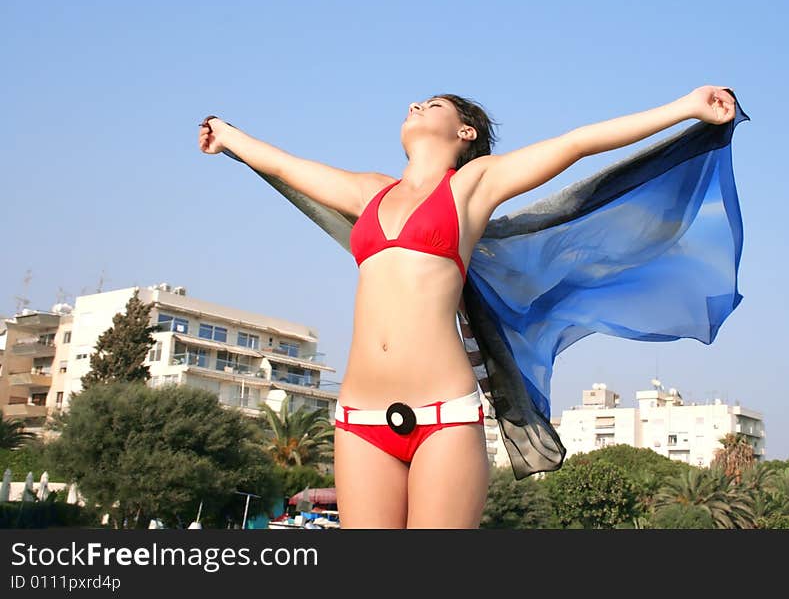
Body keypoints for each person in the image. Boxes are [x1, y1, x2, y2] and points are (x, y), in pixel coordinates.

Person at [197, 86, 737, 528]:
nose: (416, 105)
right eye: (414, 102)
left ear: (465, 132)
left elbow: (576, 143)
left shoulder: (471, 187)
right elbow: (289, 166)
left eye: (433, 104)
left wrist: (685, 107)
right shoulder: (369, 193)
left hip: (444, 415)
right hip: (357, 418)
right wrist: (228, 135)